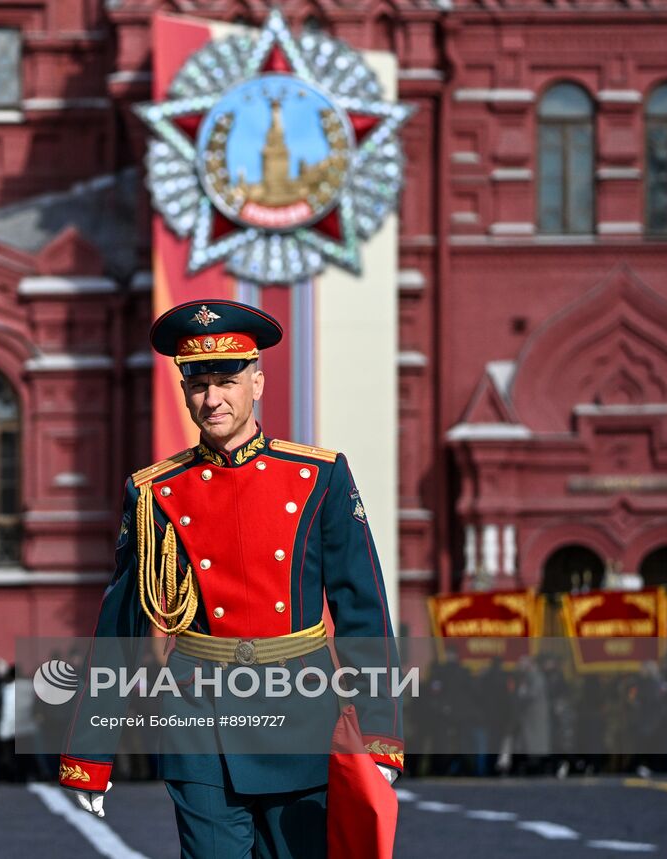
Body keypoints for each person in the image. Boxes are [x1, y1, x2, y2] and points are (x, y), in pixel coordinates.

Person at [59, 299, 403, 858]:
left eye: (226, 381)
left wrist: (381, 735)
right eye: (198, 385)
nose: (211, 399)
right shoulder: (154, 492)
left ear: (258, 383)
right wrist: (90, 752)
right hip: (199, 719)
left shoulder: (319, 476)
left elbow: (363, 607)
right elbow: (120, 622)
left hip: (303, 713)